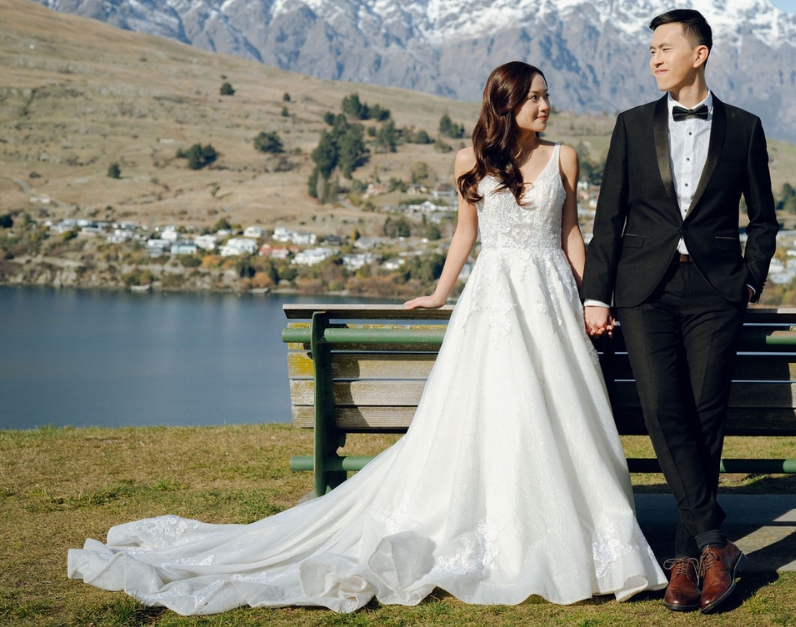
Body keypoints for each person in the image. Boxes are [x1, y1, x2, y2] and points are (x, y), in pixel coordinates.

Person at [67, 61, 666, 614]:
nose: (546, 104)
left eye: (546, 95)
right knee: (491, 410)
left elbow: (570, 236)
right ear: (505, 105)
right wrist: (438, 293)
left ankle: (563, 531)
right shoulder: (468, 162)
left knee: (556, 409)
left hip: (550, 301)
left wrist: (594, 296)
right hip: (494, 301)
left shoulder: (564, 157)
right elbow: (464, 235)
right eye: (534, 97)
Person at [581, 10, 778, 614]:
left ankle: (686, 564)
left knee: (706, 415)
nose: (654, 58)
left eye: (665, 48)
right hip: (645, 290)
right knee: (665, 411)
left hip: (717, 292)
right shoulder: (632, 125)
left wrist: (748, 281)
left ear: (701, 54)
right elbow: (609, 217)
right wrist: (596, 292)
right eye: (650, 51)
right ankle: (716, 542)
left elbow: (764, 219)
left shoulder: (745, 128)